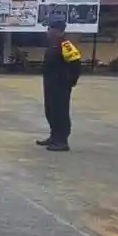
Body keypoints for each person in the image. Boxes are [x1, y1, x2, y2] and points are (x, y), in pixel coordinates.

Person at [38, 18, 82, 152]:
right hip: (50, 84)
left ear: (58, 31)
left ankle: (62, 141)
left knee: (60, 112)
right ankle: (54, 136)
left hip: (61, 85)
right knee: (50, 111)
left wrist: (70, 81)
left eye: (50, 29)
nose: (47, 32)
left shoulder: (66, 45)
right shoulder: (53, 46)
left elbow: (76, 64)